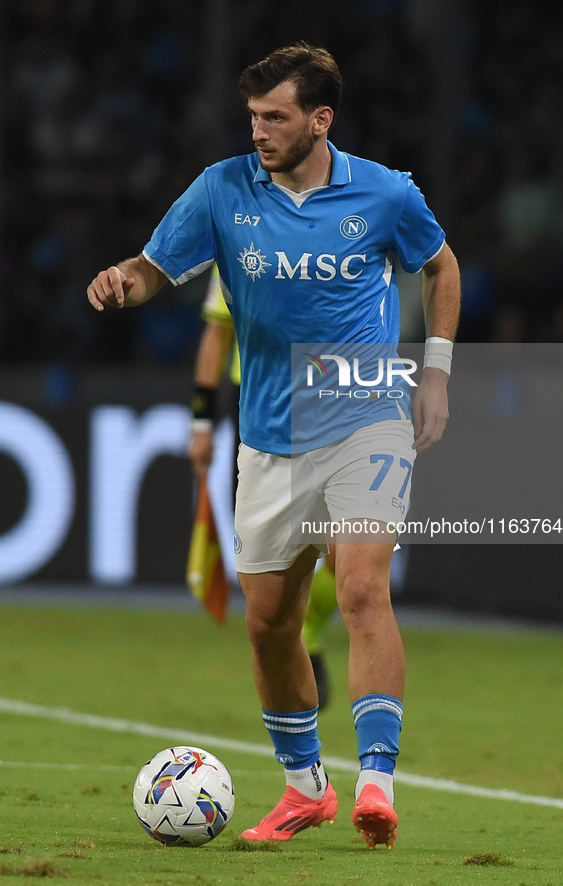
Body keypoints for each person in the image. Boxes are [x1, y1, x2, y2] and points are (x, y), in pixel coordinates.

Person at [87, 42, 461, 850]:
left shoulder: (385, 194)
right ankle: (304, 790)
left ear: (319, 120)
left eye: (274, 117)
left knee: (361, 589)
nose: (257, 131)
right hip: (269, 437)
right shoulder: (222, 190)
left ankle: (375, 783)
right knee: (267, 624)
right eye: (252, 117)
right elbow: (156, 266)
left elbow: (439, 265)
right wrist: (125, 276)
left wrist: (433, 375)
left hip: (366, 415)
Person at [190, 264, 336, 709]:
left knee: (344, 541)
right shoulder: (237, 228)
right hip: (258, 403)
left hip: (335, 393)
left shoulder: (349, 215)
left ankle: (308, 626)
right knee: (271, 555)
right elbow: (218, 331)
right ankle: (285, 644)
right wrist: (201, 419)